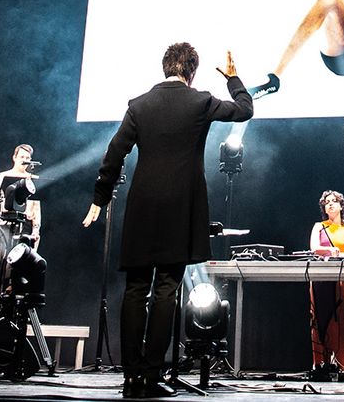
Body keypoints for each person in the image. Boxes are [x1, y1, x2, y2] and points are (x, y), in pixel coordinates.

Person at [83, 43, 252, 400]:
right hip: (181, 210)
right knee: (166, 291)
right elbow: (244, 110)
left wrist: (100, 197)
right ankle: (150, 375)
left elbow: (115, 153)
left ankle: (131, 378)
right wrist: (233, 77)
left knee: (135, 290)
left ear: (165, 68)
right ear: (191, 71)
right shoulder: (201, 101)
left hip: (143, 208)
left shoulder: (138, 105)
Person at [308, 190, 344, 377]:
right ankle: (321, 363)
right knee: (321, 318)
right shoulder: (319, 226)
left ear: (341, 206)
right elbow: (314, 249)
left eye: (334, 201)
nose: (330, 204)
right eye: (327, 202)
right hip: (322, 277)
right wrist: (332, 252)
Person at [0, 144, 41, 316]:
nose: (24, 160)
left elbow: (36, 208)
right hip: (4, 224)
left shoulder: (32, 179)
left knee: (20, 272)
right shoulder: (3, 176)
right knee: (1, 270)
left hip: (24, 226)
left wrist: (36, 231)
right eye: (21, 156)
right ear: (14, 157)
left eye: (27, 157)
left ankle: (16, 316)